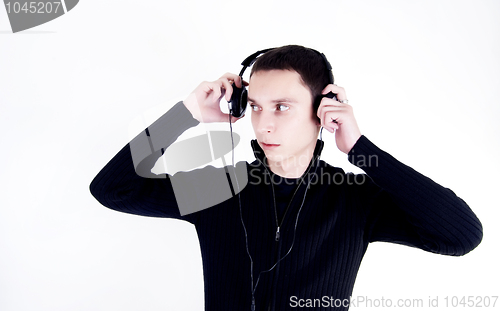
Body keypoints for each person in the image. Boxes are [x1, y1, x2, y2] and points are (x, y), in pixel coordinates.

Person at [89, 45, 483, 311]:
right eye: (257, 107)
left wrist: (362, 150)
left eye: (282, 107)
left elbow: (461, 236)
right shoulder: (218, 188)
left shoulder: (356, 201)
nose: (265, 124)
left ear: (323, 110)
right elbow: (112, 189)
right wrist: (186, 113)